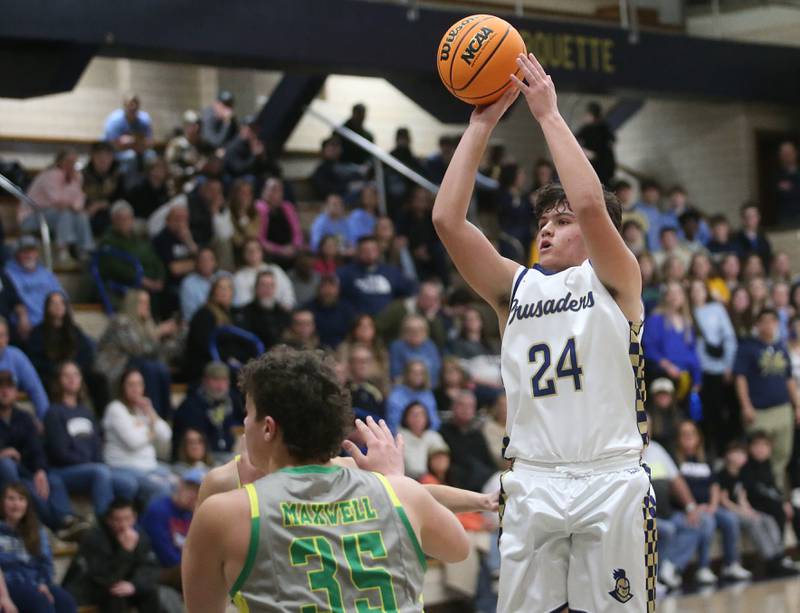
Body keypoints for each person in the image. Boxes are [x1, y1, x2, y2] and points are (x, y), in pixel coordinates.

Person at [431, 54, 655, 611]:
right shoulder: (514, 287)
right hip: (532, 479)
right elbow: (447, 221)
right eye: (542, 224)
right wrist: (480, 124)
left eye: (560, 223)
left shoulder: (617, 279)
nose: (548, 231)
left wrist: (548, 115)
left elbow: (589, 202)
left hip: (611, 478)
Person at [182, 348, 470, 612]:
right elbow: (457, 549)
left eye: (248, 413)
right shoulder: (398, 490)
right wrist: (394, 482)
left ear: (268, 428)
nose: (244, 423)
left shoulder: (222, 513)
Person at [44, 362, 138, 519]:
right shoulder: (53, 412)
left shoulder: (86, 411)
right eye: (66, 375)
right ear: (59, 380)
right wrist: (90, 464)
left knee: (128, 483)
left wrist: (97, 462)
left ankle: (126, 524)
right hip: (65, 471)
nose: (72, 379)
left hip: (91, 468)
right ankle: (105, 525)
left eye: (75, 375)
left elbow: (96, 445)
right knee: (99, 472)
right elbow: (59, 452)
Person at [0, 371, 83, 537]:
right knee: (10, 469)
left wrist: (40, 470)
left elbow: (36, 448)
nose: (4, 391)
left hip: (26, 470)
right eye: (0, 387)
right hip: (7, 478)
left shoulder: (24, 417)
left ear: (16, 391)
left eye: (9, 387)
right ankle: (56, 525)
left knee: (53, 479)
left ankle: (66, 519)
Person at [673, 420, 751, 582]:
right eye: (684, 435)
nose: (688, 438)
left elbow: (714, 485)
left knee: (730, 519)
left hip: (709, 506)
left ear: (698, 437)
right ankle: (703, 567)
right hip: (688, 509)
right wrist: (693, 507)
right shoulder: (675, 460)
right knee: (707, 522)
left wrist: (713, 505)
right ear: (678, 438)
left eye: (692, 434)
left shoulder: (704, 459)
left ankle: (731, 564)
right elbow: (675, 488)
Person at [734, 308, 800, 491]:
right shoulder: (748, 347)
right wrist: (746, 405)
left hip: (783, 409)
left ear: (778, 324)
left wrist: (797, 406)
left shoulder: (781, 347)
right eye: (764, 321)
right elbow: (740, 378)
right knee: (756, 456)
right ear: (757, 324)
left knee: (782, 456)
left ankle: (776, 492)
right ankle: (754, 493)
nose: (768, 325)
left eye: (772, 321)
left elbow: (789, 379)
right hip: (758, 410)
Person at [63, 498, 162, 612]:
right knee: (115, 594)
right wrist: (126, 551)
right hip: (91, 589)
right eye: (118, 520)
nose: (123, 524)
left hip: (124, 585)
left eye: (127, 519)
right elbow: (105, 578)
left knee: (149, 592)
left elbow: (150, 567)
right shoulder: (94, 538)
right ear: (108, 520)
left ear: (135, 517)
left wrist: (134, 585)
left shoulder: (140, 535)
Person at [718, 440, 799, 577]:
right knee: (754, 522)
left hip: (740, 509)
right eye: (736, 453)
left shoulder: (741, 475)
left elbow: (742, 498)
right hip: (728, 510)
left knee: (767, 519)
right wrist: (742, 511)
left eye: (742, 454)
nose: (740, 457)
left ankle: (778, 555)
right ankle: (771, 560)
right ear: (727, 455)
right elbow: (724, 500)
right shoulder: (724, 474)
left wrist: (749, 510)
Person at [96, 289, 175, 419]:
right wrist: (158, 332)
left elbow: (157, 352)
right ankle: (154, 414)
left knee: (161, 369)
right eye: (142, 302)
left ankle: (164, 415)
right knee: (150, 368)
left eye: (147, 303)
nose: (147, 306)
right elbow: (137, 349)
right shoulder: (121, 321)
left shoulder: (146, 324)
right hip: (114, 368)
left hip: (135, 365)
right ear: (132, 303)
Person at [0, 483, 77, 612]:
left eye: (21, 499)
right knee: (39, 602)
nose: (16, 504)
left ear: (27, 504)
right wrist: (4, 597)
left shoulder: (36, 529)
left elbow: (46, 563)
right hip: (9, 583)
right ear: (2, 502)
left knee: (66, 602)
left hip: (34, 581)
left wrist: (42, 583)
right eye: (11, 498)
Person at [102, 368, 173, 504]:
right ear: (122, 387)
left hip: (149, 466)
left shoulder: (142, 408)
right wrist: (151, 430)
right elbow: (133, 442)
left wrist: (150, 412)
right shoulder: (115, 409)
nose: (136, 389)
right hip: (123, 466)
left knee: (178, 482)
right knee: (162, 487)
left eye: (139, 384)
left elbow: (166, 435)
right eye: (131, 384)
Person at [642, 435, 703, 592]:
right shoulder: (624, 452)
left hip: (666, 513)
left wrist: (690, 507)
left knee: (695, 525)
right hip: (644, 516)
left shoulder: (656, 448)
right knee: (668, 530)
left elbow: (676, 479)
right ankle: (654, 578)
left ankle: (670, 568)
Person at [689, 279, 739, 456]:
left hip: (718, 370)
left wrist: (728, 365)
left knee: (721, 412)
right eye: (693, 290)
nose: (696, 293)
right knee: (702, 416)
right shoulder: (688, 312)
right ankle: (707, 452)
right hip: (698, 372)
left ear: (706, 291)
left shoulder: (716, 309)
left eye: (700, 289)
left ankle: (724, 451)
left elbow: (729, 337)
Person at [27, 292, 101, 408]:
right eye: (54, 303)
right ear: (47, 307)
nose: (58, 306)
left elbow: (87, 354)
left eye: (61, 303)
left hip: (76, 371)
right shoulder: (37, 333)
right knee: (48, 383)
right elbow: (35, 361)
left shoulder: (74, 330)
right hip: (51, 374)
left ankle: (101, 417)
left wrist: (74, 369)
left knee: (98, 379)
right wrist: (59, 370)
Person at [21, 150, 94, 263]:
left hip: (55, 214)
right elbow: (56, 200)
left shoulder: (75, 177)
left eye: (74, 162)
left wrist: (75, 206)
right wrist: (72, 204)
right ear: (59, 162)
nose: (71, 165)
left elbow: (79, 200)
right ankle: (63, 250)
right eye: (68, 161)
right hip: (32, 217)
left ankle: (85, 249)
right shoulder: (50, 175)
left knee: (81, 215)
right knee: (65, 213)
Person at [141, 468, 203, 590]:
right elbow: (166, 555)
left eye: (198, 492)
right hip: (157, 568)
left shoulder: (192, 514)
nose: (193, 495)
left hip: (181, 568)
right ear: (180, 485)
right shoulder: (158, 510)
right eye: (190, 488)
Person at [171, 362, 243, 462]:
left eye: (224, 380)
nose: (220, 386)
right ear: (204, 381)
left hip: (226, 454)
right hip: (199, 460)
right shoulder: (191, 405)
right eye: (215, 380)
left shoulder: (231, 400)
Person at [642, 281, 702, 402]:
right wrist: (667, 366)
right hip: (662, 375)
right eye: (671, 293)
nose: (675, 296)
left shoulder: (688, 323)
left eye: (678, 293)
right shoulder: (655, 319)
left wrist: (697, 379)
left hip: (686, 377)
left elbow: (693, 353)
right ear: (666, 297)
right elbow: (649, 347)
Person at [98, 200, 165, 295]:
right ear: (113, 220)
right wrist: (142, 280)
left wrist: (160, 278)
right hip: (127, 285)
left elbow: (156, 260)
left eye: (128, 218)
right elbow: (116, 267)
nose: (125, 222)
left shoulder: (139, 238)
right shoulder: (108, 241)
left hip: (154, 284)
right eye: (121, 219)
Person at [337, 236, 416, 316]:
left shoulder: (391, 271)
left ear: (378, 251)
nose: (370, 254)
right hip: (358, 320)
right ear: (358, 252)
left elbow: (412, 289)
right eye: (365, 251)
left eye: (373, 250)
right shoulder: (346, 273)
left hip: (387, 319)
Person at [5, 237, 64, 337]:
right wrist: (22, 317)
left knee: (87, 344)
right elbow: (10, 301)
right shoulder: (8, 274)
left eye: (32, 251)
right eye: (24, 252)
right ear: (16, 254)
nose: (29, 255)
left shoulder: (45, 273)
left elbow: (62, 297)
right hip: (28, 327)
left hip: (52, 324)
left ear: (37, 253)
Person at [184, 274, 236, 382]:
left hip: (223, 361)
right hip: (205, 365)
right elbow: (205, 345)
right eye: (221, 288)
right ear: (213, 292)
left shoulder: (232, 315)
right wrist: (228, 359)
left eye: (227, 288)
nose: (224, 292)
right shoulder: (204, 314)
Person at [152, 202, 198, 318]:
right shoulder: (162, 239)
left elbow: (203, 261)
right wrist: (196, 264)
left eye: (184, 219)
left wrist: (189, 241)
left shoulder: (187, 236)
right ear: (168, 221)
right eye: (177, 219)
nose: (181, 223)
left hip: (191, 280)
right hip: (171, 285)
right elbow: (175, 269)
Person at [0, 317, 49, 419]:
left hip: (10, 418)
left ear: (7, 338)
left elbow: (36, 391)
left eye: (1, 335)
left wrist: (46, 422)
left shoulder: (16, 356)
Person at [235, 270, 292, 350]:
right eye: (263, 285)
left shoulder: (282, 312)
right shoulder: (245, 312)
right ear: (256, 287)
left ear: (275, 288)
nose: (267, 289)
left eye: (271, 285)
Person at [254, 178, 304, 268]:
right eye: (273, 189)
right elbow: (259, 238)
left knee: (305, 259)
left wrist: (294, 246)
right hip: (270, 252)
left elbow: (297, 231)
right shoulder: (259, 208)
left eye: (279, 190)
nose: (276, 193)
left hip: (290, 249)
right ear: (264, 191)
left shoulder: (288, 207)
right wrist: (279, 250)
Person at [103, 93, 155, 175]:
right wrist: (135, 142)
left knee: (151, 156)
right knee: (131, 156)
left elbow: (150, 143)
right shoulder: (115, 120)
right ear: (125, 105)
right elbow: (113, 145)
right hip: (114, 152)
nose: (133, 107)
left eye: (136, 104)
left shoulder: (144, 119)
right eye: (130, 104)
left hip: (139, 151)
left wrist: (131, 142)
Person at [82, 141, 124, 237]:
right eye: (100, 156)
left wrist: (101, 205)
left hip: (110, 211)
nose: (103, 160)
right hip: (88, 211)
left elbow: (121, 197)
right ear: (93, 157)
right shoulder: (83, 175)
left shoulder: (117, 175)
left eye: (107, 156)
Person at [399, 401, 447, 481]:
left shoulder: (434, 436)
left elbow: (443, 462)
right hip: (409, 481)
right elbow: (413, 469)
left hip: (434, 480)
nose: (418, 418)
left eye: (422, 414)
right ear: (406, 418)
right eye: (414, 415)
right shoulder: (400, 438)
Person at [388, 314, 442, 384]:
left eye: (420, 329)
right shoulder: (397, 347)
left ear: (426, 332)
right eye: (411, 330)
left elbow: (437, 371)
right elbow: (396, 376)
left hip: (431, 389)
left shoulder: (430, 345)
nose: (416, 333)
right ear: (404, 332)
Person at [306, 275, 355, 349]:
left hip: (341, 348)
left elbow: (352, 331)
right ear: (318, 289)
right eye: (324, 287)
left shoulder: (347, 308)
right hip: (315, 347)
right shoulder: (308, 308)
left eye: (332, 287)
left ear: (338, 290)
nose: (328, 291)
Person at [575, 101, 615, 186]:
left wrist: (591, 153)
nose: (585, 116)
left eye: (587, 114)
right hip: (594, 165)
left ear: (592, 114)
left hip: (602, 166)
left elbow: (610, 143)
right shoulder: (587, 128)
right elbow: (574, 139)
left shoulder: (603, 128)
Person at [179, 247, 217, 322]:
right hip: (199, 323)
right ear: (197, 263)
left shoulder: (223, 277)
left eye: (210, 259)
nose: (206, 263)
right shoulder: (188, 283)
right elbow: (189, 315)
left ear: (215, 262)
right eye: (203, 260)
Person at [165, 110, 203, 181]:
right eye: (193, 125)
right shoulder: (176, 144)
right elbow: (170, 166)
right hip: (181, 181)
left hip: (199, 181)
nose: (197, 128)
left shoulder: (202, 144)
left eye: (198, 125)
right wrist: (187, 172)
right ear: (185, 126)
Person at [734, 203, 772, 270]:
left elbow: (767, 260)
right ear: (743, 220)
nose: (751, 219)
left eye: (754, 216)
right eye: (748, 216)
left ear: (758, 218)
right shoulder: (736, 239)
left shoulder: (764, 239)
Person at [774, 140, 800, 226]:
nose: (787, 156)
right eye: (784, 153)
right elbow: (779, 194)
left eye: (789, 153)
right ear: (780, 156)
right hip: (786, 218)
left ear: (795, 153)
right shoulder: (776, 176)